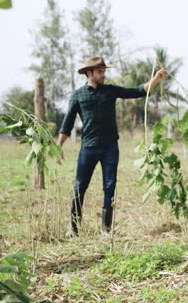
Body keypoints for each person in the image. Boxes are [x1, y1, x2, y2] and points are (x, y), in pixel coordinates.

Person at [58, 57, 166, 237]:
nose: (103, 75)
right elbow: (67, 122)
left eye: (104, 71)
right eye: (99, 71)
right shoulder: (78, 95)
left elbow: (138, 91)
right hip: (88, 148)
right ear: (89, 73)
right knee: (79, 187)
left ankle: (106, 230)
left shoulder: (110, 91)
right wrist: (59, 146)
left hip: (110, 148)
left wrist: (156, 80)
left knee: (110, 186)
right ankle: (74, 229)